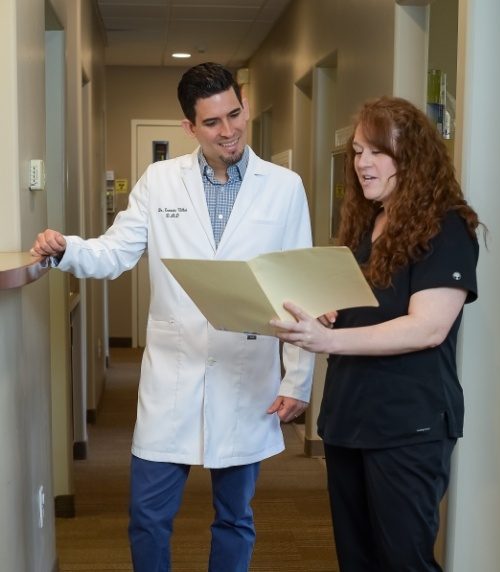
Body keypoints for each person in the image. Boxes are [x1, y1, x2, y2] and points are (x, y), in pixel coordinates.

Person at [31, 62, 314, 572]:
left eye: (234, 114)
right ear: (189, 127)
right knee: (147, 517)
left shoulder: (284, 187)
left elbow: (298, 290)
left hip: (247, 371)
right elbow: (114, 253)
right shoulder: (160, 182)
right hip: (174, 371)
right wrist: (64, 250)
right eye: (212, 123)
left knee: (234, 517)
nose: (228, 131)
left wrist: (299, 378)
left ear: (244, 105)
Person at [270, 95, 482, 572]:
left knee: (403, 560)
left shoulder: (447, 227)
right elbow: (367, 309)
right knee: (358, 558)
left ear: (412, 158)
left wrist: (328, 341)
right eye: (359, 152)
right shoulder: (369, 223)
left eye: (377, 152)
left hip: (408, 424)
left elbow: (427, 327)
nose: (363, 163)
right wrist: (329, 312)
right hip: (350, 416)